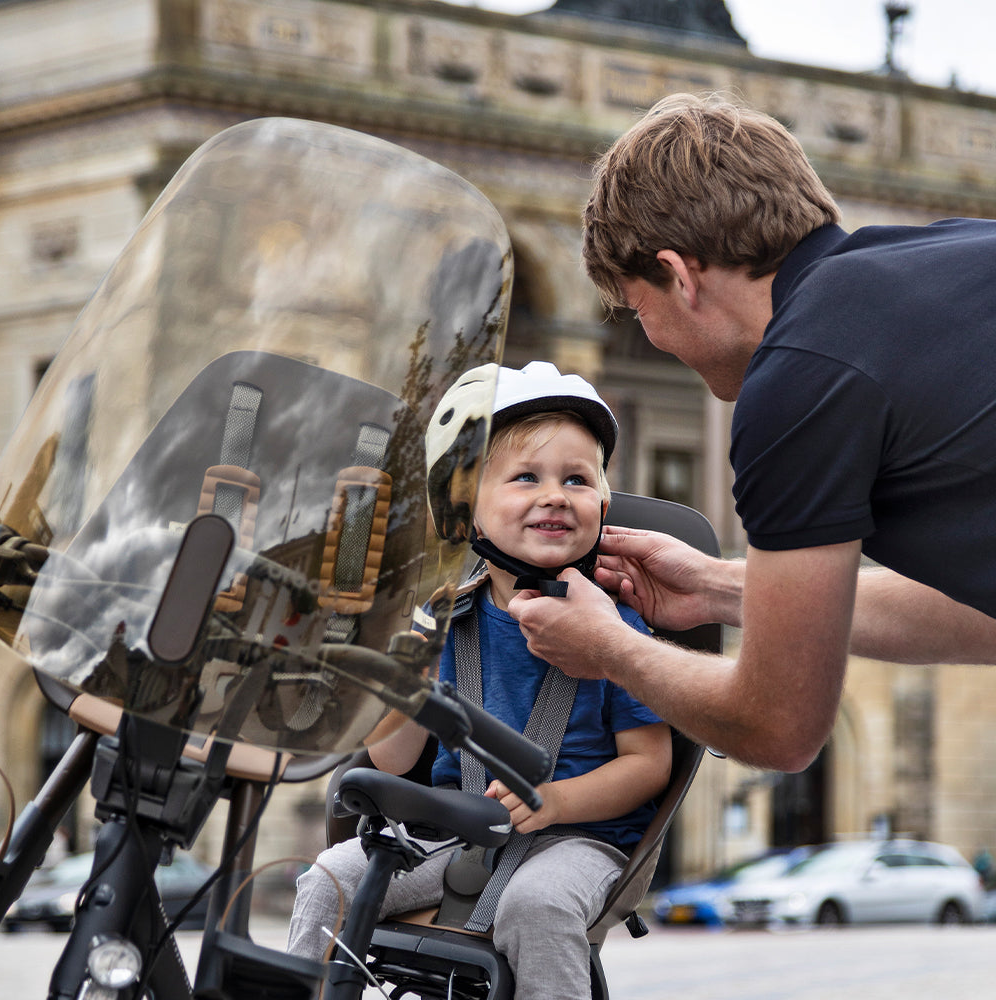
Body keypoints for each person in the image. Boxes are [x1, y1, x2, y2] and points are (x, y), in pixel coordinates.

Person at [507, 91, 996, 775]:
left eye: (637, 310)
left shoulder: (797, 376)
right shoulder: (956, 250)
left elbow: (778, 726)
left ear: (679, 277)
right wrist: (724, 588)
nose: (650, 337)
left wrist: (610, 648)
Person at [287, 361, 672, 1000]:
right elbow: (393, 756)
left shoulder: (618, 631)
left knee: (537, 907)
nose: (555, 494)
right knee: (330, 877)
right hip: (451, 831)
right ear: (464, 509)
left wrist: (558, 802)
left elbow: (649, 764)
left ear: (602, 504)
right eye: (526, 477)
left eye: (576, 479)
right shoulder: (443, 621)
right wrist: (401, 673)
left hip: (580, 838)